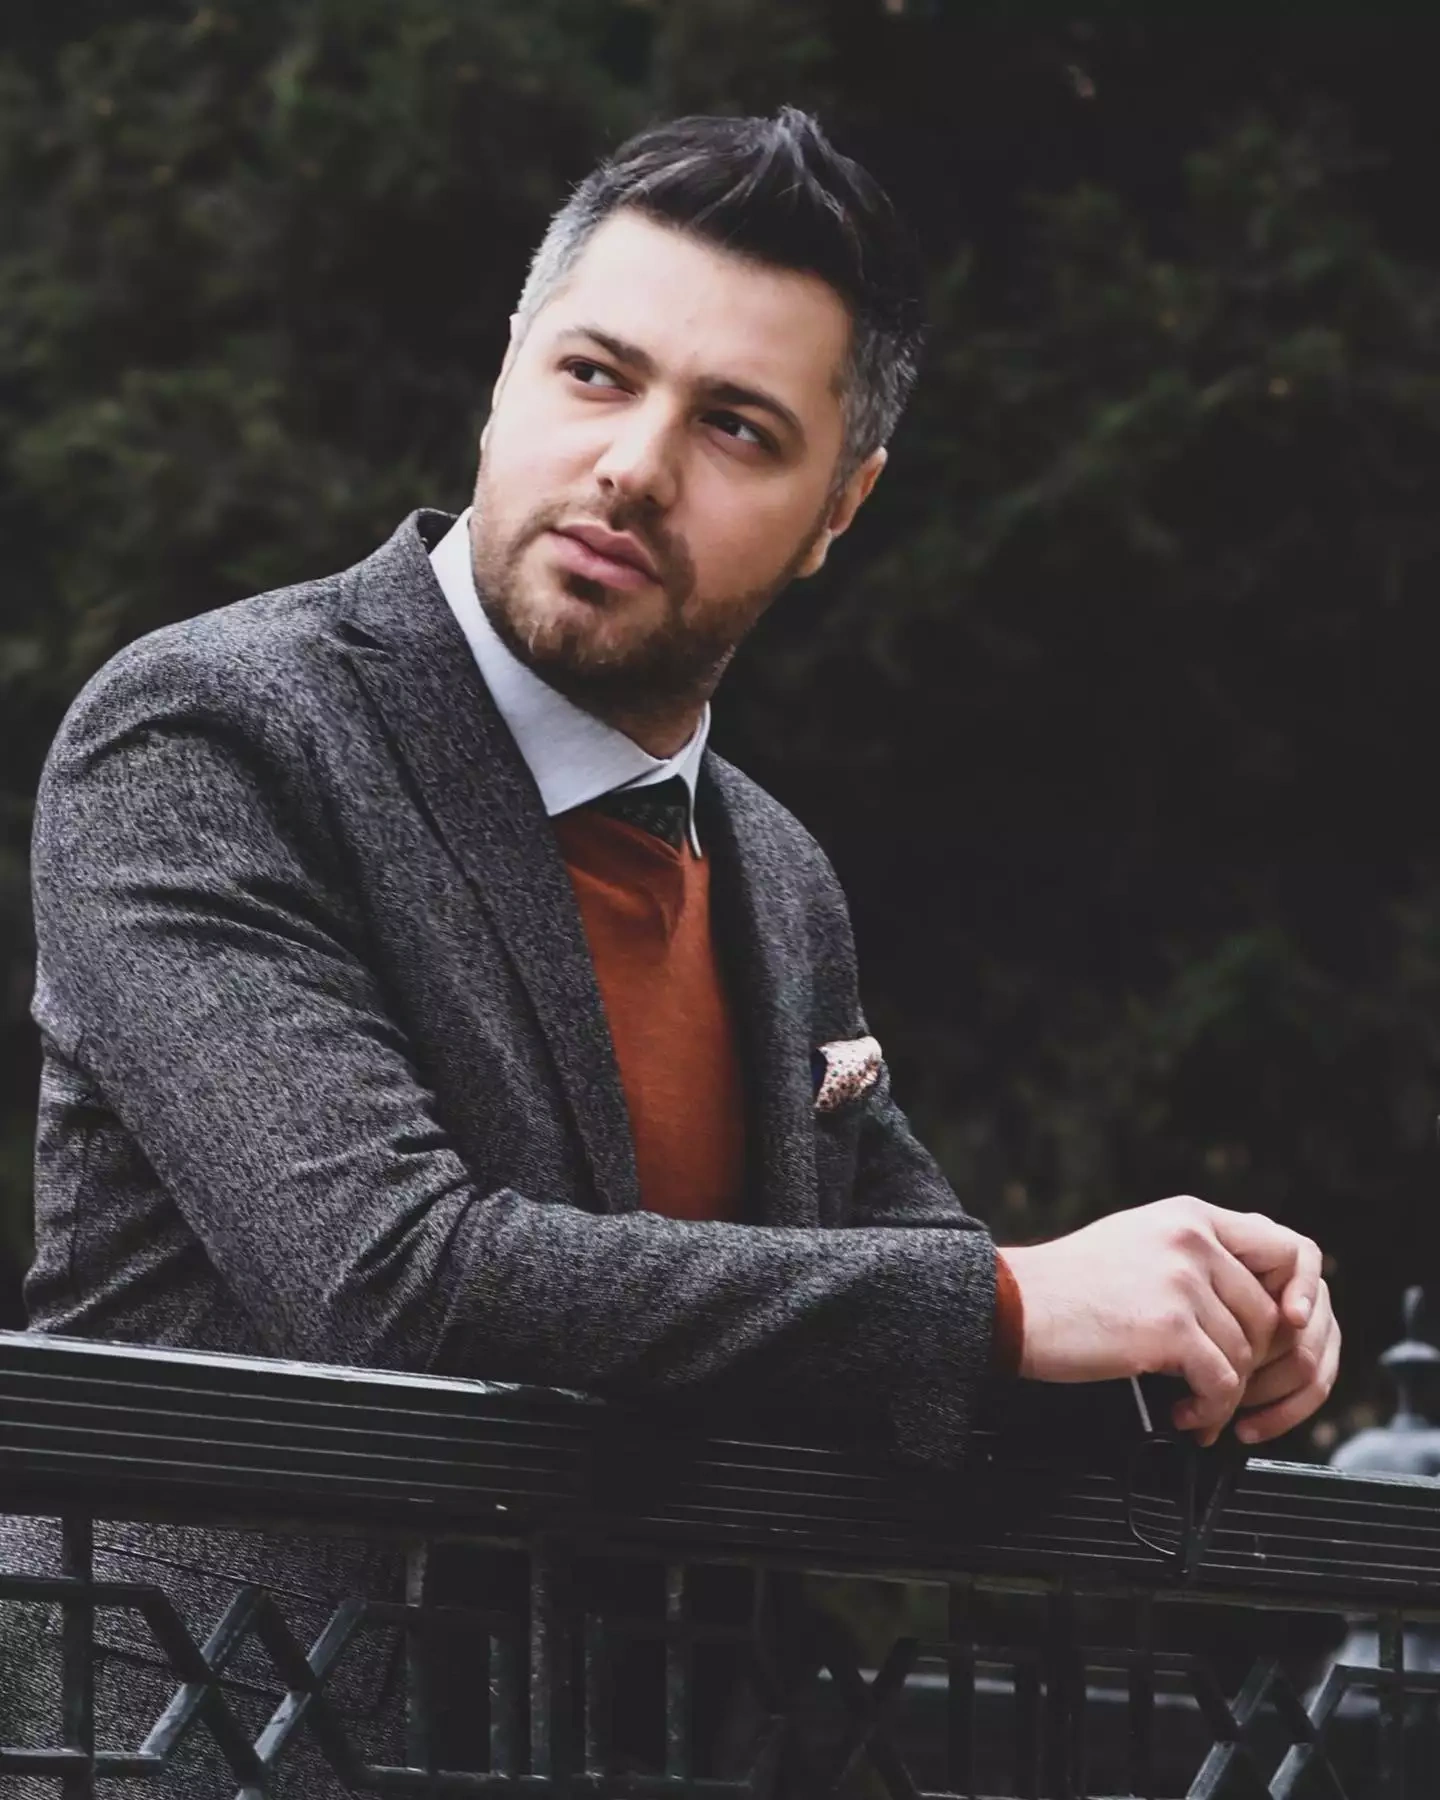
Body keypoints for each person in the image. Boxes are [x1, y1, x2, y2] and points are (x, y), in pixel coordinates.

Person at [5, 108, 1338, 1790]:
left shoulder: (775, 876)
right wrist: (1015, 1303)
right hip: (230, 1748)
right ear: (507, 369)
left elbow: (887, 1332)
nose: (636, 463)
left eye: (735, 426)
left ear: (839, 507)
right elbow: (389, 1279)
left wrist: (1183, 1348)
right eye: (596, 374)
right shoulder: (214, 734)